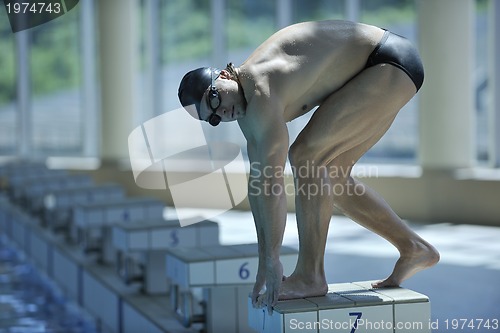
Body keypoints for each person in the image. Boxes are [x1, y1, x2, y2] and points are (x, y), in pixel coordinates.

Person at [178, 20, 439, 314]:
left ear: (224, 74)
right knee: (330, 178)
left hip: (387, 61)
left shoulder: (259, 84)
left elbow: (274, 184)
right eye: (213, 117)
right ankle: (414, 248)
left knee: (305, 157)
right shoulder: (247, 114)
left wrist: (274, 258)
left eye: (215, 98)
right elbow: (259, 186)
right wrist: (265, 260)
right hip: (383, 68)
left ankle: (311, 275)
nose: (221, 112)